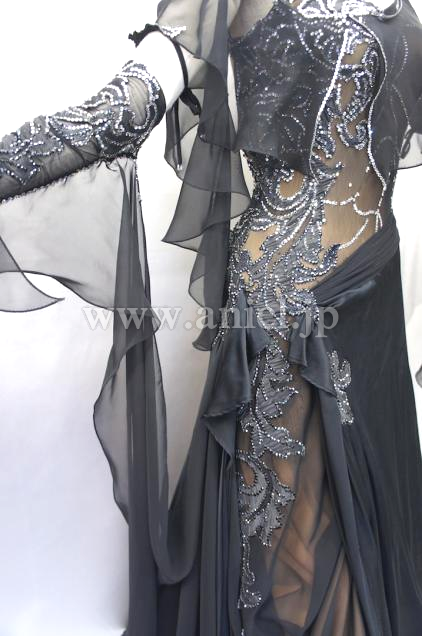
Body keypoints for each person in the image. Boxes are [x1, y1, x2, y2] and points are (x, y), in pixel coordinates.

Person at [0, 0, 422, 634]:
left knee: (366, 513)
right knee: (289, 546)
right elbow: (120, 110)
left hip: (375, 287)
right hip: (291, 303)